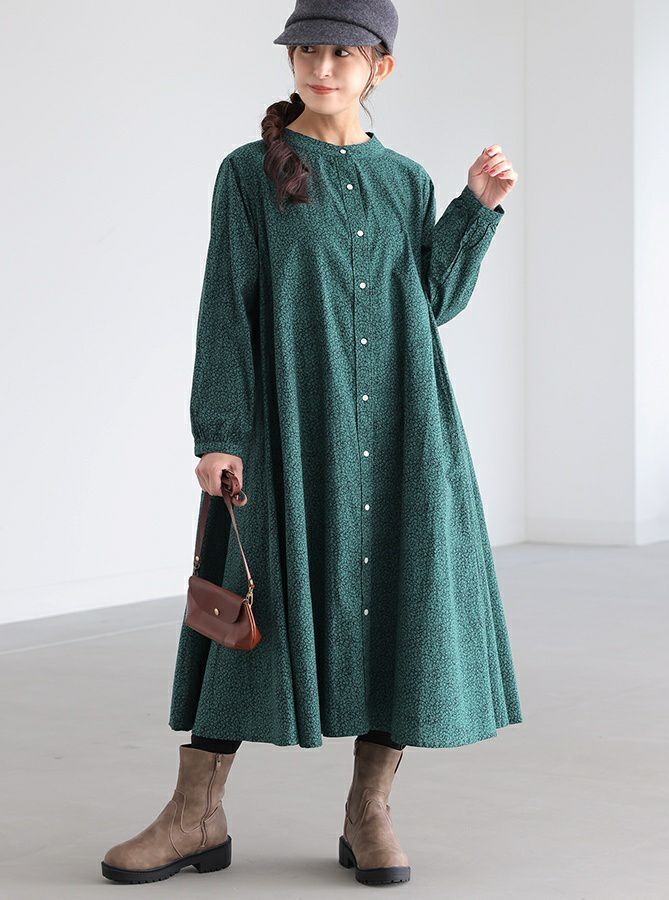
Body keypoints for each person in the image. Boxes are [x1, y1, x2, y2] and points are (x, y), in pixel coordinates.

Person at [101, 0, 523, 887]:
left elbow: (431, 303)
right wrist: (219, 431)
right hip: (292, 427)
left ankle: (370, 813)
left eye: (339, 52)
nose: (319, 68)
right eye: (305, 51)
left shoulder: (406, 180)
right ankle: (195, 815)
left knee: (401, 603)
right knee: (249, 610)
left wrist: (475, 209)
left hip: (404, 428)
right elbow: (226, 304)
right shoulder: (247, 173)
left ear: (380, 67)